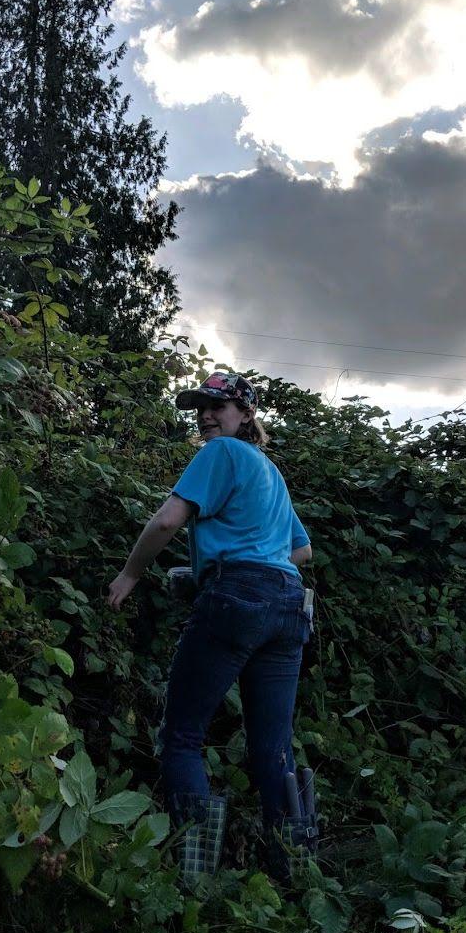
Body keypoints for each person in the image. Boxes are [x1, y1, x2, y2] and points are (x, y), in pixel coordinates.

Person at [107, 371, 313, 880]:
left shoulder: (219, 455)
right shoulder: (271, 472)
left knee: (181, 735)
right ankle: (294, 873)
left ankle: (196, 877)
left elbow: (166, 522)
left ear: (246, 415)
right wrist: (229, 562)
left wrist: (131, 574)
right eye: (200, 407)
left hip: (237, 598)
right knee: (273, 746)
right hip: (288, 606)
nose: (205, 416)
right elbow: (302, 550)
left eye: (217, 407)